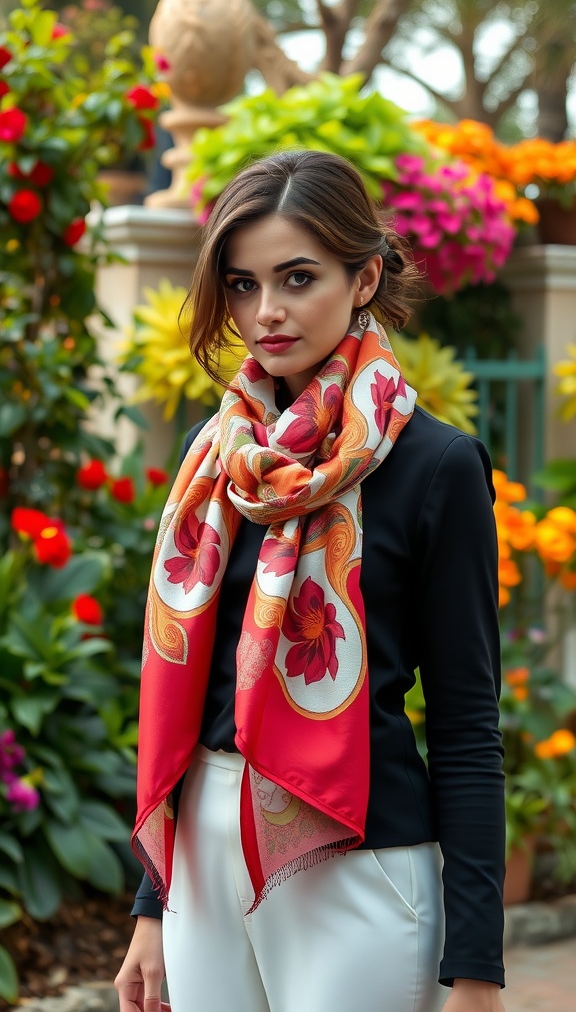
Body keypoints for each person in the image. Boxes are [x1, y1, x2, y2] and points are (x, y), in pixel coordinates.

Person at [115, 150, 507, 1012]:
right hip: (204, 869)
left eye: (298, 277)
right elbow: (188, 698)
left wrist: (476, 967)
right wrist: (153, 905)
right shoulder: (211, 461)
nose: (267, 312)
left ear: (364, 277)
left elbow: (469, 724)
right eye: (244, 284)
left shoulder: (435, 466)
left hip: (358, 860)